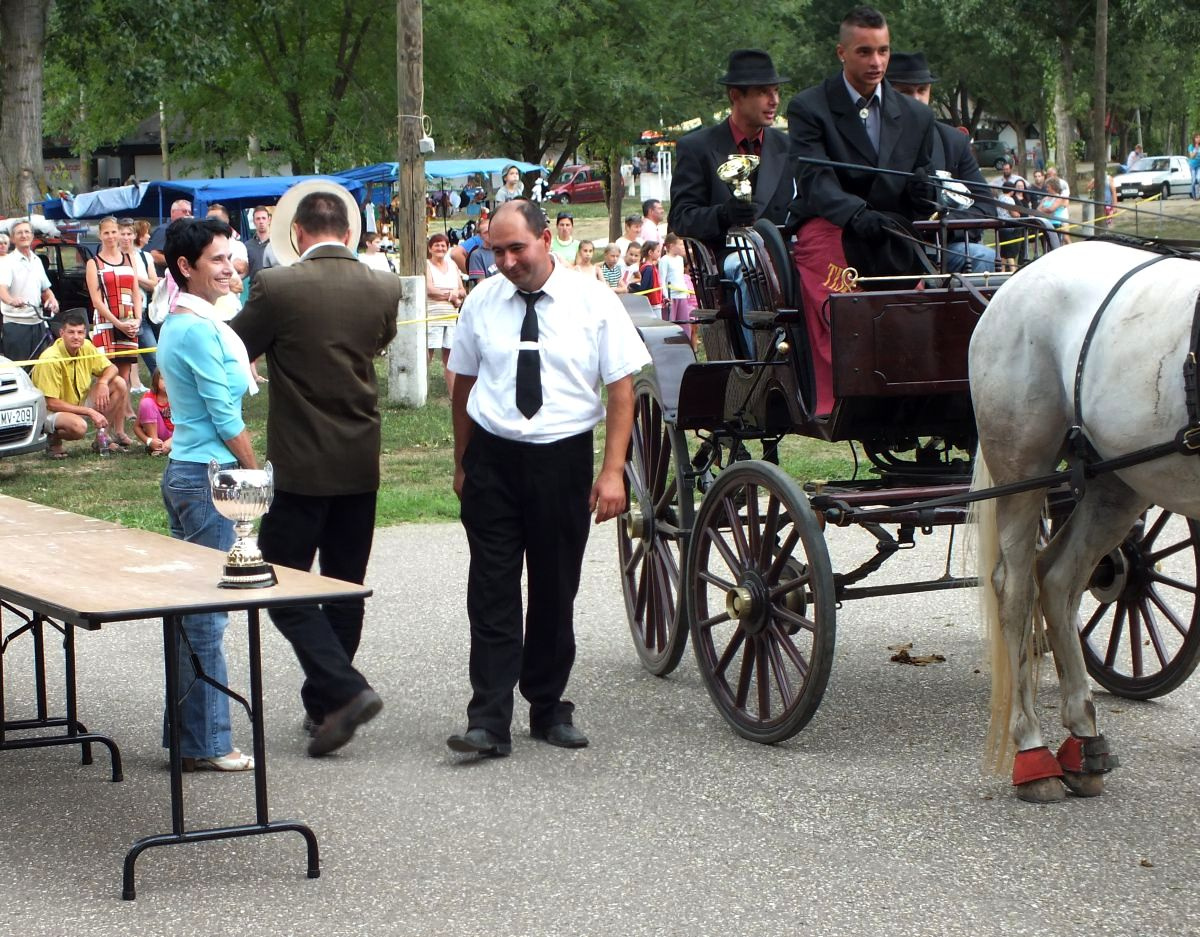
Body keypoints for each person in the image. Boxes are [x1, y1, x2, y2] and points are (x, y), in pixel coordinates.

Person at [444, 199, 650, 758]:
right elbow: (461, 384)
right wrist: (464, 463)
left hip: (561, 460)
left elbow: (621, 388)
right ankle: (487, 718)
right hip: (493, 459)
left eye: (518, 248)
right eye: (496, 251)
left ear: (543, 240)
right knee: (491, 590)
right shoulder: (482, 302)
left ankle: (547, 706)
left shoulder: (592, 299)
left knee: (555, 589)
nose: (507, 261)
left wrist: (612, 473)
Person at [231, 190, 399, 758]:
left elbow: (237, 346)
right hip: (360, 458)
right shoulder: (384, 285)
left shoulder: (277, 287)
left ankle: (344, 690)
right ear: (347, 232)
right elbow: (377, 343)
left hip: (302, 463)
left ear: (299, 233)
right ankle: (326, 702)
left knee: (276, 583)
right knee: (344, 585)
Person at [785, 5, 935, 414]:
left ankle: (920, 388)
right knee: (840, 288)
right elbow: (815, 181)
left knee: (932, 292)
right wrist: (854, 213)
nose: (877, 62)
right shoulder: (809, 108)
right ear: (841, 53)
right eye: (865, 52)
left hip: (893, 231)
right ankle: (848, 393)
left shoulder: (919, 116)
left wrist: (928, 192)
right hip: (831, 224)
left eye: (883, 51)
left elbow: (919, 177)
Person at [157, 217, 258, 772]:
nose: (228, 268)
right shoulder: (195, 327)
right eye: (216, 260)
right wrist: (255, 471)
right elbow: (223, 416)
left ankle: (192, 739)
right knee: (206, 616)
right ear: (184, 268)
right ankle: (211, 742)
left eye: (230, 257)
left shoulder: (192, 321)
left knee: (192, 613)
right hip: (208, 476)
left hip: (191, 473)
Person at [668, 48, 795, 262]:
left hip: (784, 265)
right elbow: (681, 219)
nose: (774, 101)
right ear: (735, 95)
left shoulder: (788, 146)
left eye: (776, 91)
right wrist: (722, 215)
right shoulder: (696, 147)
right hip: (726, 273)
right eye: (763, 92)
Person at [885, 52, 996, 274]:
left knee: (983, 255)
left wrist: (944, 225)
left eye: (922, 91)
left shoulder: (952, 141)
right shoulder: (873, 138)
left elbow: (985, 206)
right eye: (905, 92)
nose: (916, 99)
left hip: (943, 250)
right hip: (887, 250)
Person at [31, 309, 129, 458]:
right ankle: (52, 440)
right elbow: (50, 403)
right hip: (51, 412)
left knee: (119, 383)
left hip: (79, 404)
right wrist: (90, 412)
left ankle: (101, 438)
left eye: (80, 332)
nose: (76, 337)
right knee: (79, 428)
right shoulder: (50, 358)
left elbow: (112, 367)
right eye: (71, 332)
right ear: (61, 333)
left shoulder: (87, 346)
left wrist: (102, 382)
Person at [84, 216, 141, 445]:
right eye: (106, 233)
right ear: (100, 235)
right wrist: (116, 322)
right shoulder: (94, 263)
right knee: (109, 376)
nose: (110, 237)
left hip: (129, 323)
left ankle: (119, 429)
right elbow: (96, 300)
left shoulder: (129, 258)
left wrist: (137, 318)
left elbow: (136, 291)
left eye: (113, 232)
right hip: (106, 324)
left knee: (125, 377)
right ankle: (102, 430)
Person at [0, 219, 59, 365]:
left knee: (41, 368)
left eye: (27, 232)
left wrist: (52, 299)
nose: (24, 235)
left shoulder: (36, 260)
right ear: (13, 238)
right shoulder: (8, 262)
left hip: (38, 323)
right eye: (19, 233)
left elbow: (45, 289)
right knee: (20, 370)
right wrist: (11, 301)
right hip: (16, 325)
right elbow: (2, 289)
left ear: (32, 236)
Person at [118, 218, 157, 392]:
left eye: (129, 234)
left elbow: (153, 283)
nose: (126, 237)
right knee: (126, 356)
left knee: (154, 354)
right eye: (122, 233)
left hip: (142, 312)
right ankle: (132, 385)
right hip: (120, 314)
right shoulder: (111, 257)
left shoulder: (144, 256)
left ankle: (160, 388)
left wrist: (134, 276)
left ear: (135, 235)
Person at [426, 231, 466, 397]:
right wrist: (451, 295)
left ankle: (452, 393)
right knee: (428, 353)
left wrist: (456, 294)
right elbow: (430, 290)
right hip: (432, 315)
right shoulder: (426, 265)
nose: (440, 248)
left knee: (450, 355)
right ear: (430, 248)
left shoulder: (453, 266)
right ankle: (421, 392)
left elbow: (463, 290)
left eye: (443, 245)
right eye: (436, 245)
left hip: (450, 316)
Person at [135, 367, 173, 455]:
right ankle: (156, 446)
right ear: (156, 379)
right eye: (163, 379)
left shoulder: (180, 397)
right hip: (159, 434)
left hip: (179, 435)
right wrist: (149, 441)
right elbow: (136, 427)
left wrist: (171, 441)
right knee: (146, 403)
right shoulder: (150, 397)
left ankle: (168, 447)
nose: (167, 383)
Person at [148, 199, 193, 271]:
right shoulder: (164, 229)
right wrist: (179, 263)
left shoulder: (186, 231)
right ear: (173, 212)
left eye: (190, 212)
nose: (188, 214)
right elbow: (155, 256)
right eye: (184, 211)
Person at [244, 205, 277, 281]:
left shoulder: (277, 244)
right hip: (255, 289)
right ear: (254, 221)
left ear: (269, 220)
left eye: (263, 218)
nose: (261, 221)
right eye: (258, 219)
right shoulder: (247, 246)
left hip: (274, 288)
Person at [637, 241, 663, 313]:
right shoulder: (648, 268)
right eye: (658, 251)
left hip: (654, 302)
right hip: (652, 304)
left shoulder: (649, 267)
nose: (659, 253)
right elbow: (646, 287)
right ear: (650, 252)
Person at [1188, 133, 1200, 200]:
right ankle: (1194, 196)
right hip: (1192, 166)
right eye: (1197, 137)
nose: (1198, 139)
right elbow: (1191, 156)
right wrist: (1196, 149)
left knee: (1198, 179)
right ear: (1194, 139)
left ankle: (1198, 194)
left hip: (1199, 166)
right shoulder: (1191, 146)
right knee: (1193, 181)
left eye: (1199, 137)